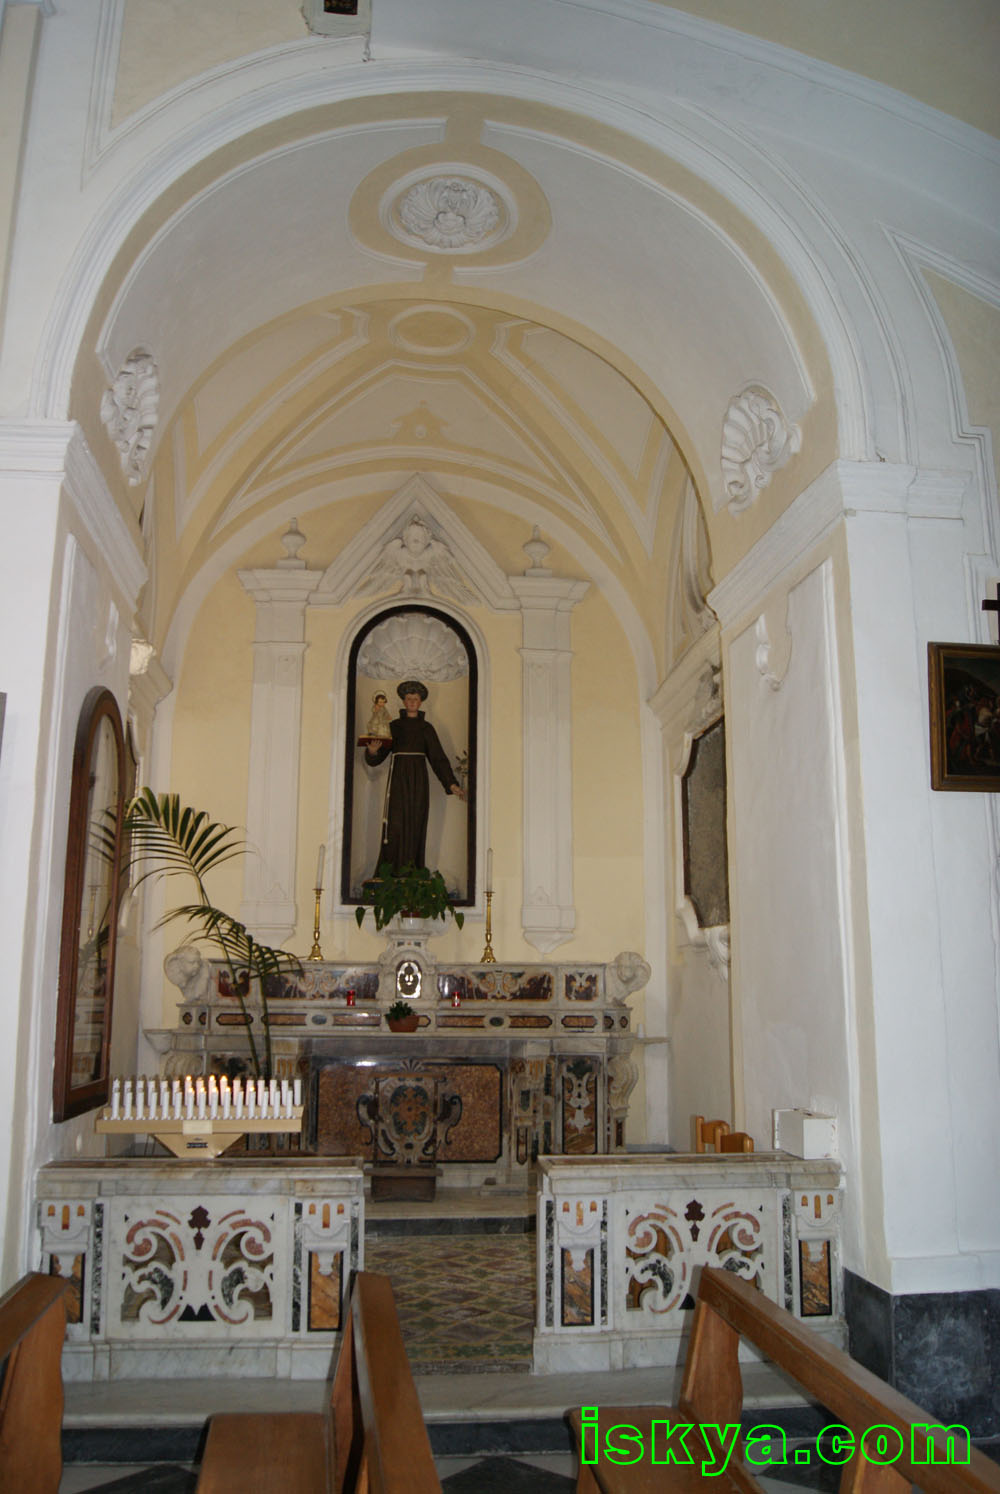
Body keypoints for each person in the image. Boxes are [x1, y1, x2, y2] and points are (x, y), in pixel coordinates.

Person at [363, 680, 466, 874]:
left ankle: (413, 873)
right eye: (408, 698)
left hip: (419, 782)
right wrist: (373, 751)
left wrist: (452, 784)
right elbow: (378, 757)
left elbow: (438, 759)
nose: (411, 702)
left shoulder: (426, 728)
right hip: (398, 781)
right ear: (403, 701)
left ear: (420, 702)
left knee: (416, 824)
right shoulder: (393, 726)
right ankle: (390, 873)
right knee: (394, 824)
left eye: (415, 699)